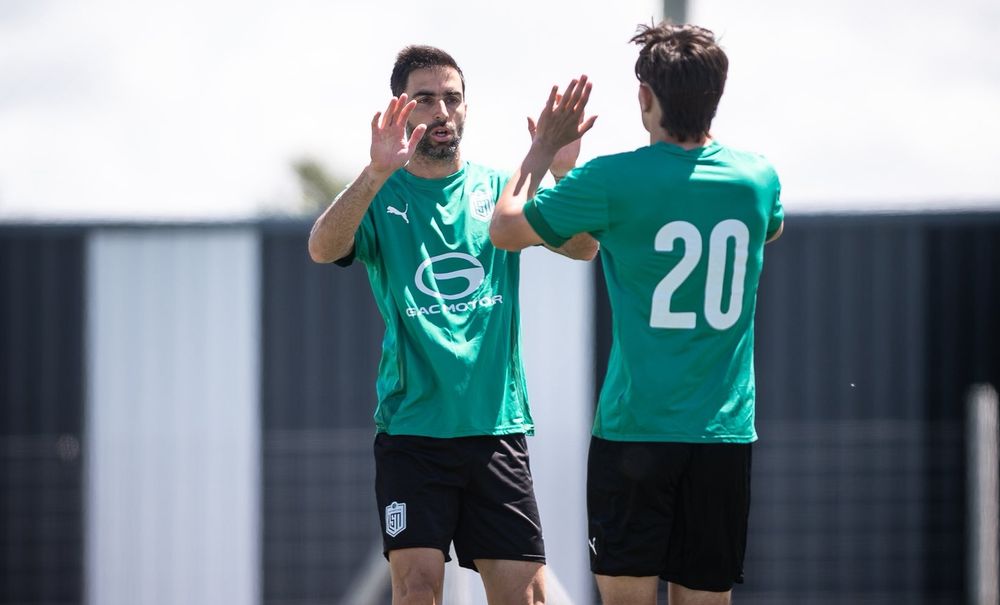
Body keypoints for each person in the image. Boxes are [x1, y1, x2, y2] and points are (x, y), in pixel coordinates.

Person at [489, 23, 784, 605]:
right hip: (722, 434)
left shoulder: (614, 178)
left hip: (634, 432)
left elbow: (505, 230)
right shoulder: (757, 179)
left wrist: (545, 150)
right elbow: (766, 231)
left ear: (644, 97)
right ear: (715, 94)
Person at [307, 45, 597, 605]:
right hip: (413, 432)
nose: (442, 111)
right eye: (425, 99)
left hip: (495, 430)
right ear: (400, 109)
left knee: (528, 598)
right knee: (417, 591)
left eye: (453, 98)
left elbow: (584, 247)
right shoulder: (380, 194)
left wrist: (565, 171)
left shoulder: (500, 191)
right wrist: (374, 172)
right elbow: (322, 248)